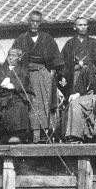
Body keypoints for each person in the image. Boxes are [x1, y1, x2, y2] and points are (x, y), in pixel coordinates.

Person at [10, 11, 62, 143]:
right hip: (26, 74)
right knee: (30, 102)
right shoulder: (21, 39)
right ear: (28, 22)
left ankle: (45, 132)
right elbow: (12, 57)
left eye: (37, 22)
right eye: (32, 21)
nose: (34, 24)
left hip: (43, 73)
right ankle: (30, 133)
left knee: (45, 102)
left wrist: (53, 71)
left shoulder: (48, 39)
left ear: (41, 23)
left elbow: (57, 57)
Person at [64, 44, 96, 142]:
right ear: (93, 55)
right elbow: (81, 83)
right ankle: (75, 135)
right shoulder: (88, 68)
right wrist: (77, 93)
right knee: (74, 103)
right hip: (90, 95)